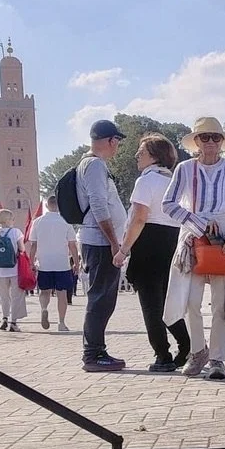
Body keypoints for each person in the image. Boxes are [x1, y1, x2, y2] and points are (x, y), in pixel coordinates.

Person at [162, 115, 225, 380]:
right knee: (190, 299)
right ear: (196, 141)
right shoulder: (184, 169)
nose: (210, 142)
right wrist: (198, 224)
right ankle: (197, 350)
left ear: (222, 141)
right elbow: (168, 204)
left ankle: (217, 359)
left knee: (221, 303)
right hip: (193, 234)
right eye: (204, 137)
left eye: (215, 137)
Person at [113, 133, 190, 372]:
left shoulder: (146, 181)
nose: (137, 155)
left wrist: (123, 250)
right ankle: (187, 345)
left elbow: (138, 218)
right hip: (172, 240)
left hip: (148, 241)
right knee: (169, 301)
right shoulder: (176, 181)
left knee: (150, 304)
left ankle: (162, 355)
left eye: (142, 152)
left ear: (154, 157)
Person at [76, 119, 128, 371]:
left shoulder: (92, 165)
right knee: (100, 299)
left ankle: (96, 351)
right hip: (99, 242)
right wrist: (113, 242)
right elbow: (98, 206)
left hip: (98, 240)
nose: (117, 147)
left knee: (103, 298)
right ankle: (93, 354)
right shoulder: (95, 165)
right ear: (109, 140)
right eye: (117, 141)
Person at [27, 195, 78, 333]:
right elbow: (72, 245)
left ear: (47, 205)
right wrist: (77, 264)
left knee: (44, 291)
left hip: (44, 263)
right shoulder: (65, 221)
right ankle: (61, 323)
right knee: (62, 294)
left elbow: (33, 245)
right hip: (62, 263)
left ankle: (44, 309)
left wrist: (31, 262)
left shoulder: (37, 222)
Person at [0, 209, 26, 332]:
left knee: (4, 297)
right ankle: (13, 323)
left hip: (0, 270)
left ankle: (4, 318)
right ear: (9, 220)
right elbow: (22, 249)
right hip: (14, 269)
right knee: (16, 296)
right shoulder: (16, 232)